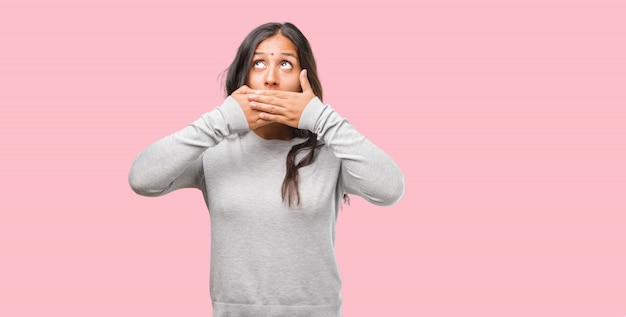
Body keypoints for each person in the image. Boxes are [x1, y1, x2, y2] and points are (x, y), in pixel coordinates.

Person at [128, 22, 404, 317]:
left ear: (303, 79)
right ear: (243, 75)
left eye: (285, 63)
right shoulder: (213, 149)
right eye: (258, 63)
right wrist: (220, 120)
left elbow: (390, 190)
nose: (270, 78)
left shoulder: (331, 151)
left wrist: (322, 118)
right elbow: (142, 179)